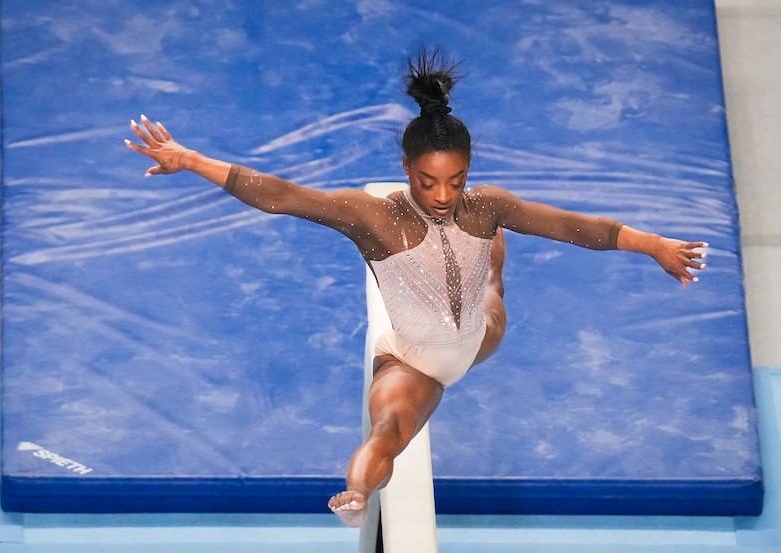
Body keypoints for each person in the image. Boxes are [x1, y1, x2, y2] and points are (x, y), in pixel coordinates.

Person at [125, 48, 708, 527]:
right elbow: (280, 194)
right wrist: (193, 159)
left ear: (470, 169)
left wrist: (653, 243)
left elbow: (574, 227)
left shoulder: (486, 207)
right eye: (428, 181)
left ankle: (493, 268)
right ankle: (354, 496)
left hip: (479, 336)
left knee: (492, 284)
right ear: (406, 169)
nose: (443, 196)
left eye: (457, 181)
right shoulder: (373, 217)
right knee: (389, 431)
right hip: (416, 362)